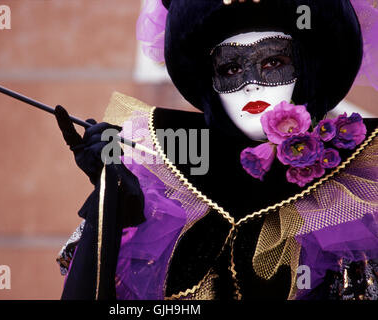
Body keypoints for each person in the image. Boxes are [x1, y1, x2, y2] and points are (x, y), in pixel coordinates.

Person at [55, 0, 378, 300]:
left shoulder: (362, 186)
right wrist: (110, 203)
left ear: (308, 68)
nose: (252, 84)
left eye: (274, 62)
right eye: (231, 69)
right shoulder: (166, 172)